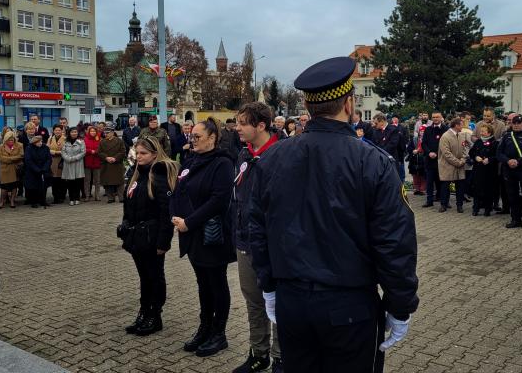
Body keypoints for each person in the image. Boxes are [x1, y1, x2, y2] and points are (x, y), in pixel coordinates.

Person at [248, 57, 419, 373]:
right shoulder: (373, 161)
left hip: (293, 302)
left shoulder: (273, 158)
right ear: (350, 103)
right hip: (349, 307)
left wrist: (269, 285)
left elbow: (256, 229)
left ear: (307, 105)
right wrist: (400, 305)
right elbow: (394, 242)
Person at [170, 117, 235, 358]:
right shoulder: (191, 159)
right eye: (191, 136)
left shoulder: (222, 163)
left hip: (211, 234)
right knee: (202, 284)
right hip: (191, 233)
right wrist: (174, 216)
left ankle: (219, 333)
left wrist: (189, 222)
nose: (192, 140)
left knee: (216, 283)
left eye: (197, 137)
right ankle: (204, 327)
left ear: (213, 138)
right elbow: (178, 189)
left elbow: (218, 200)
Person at [230, 103, 283, 373]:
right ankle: (258, 353)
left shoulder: (281, 155)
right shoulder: (242, 154)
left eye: (242, 123)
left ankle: (280, 357)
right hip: (245, 241)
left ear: (260, 125)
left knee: (277, 301)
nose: (236, 127)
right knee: (253, 301)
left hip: (273, 245)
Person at [120, 136, 179, 336]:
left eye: (144, 153)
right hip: (137, 236)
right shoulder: (136, 175)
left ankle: (155, 314)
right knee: (144, 277)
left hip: (152, 237)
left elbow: (165, 212)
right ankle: (144, 311)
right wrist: (126, 227)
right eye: (137, 153)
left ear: (155, 154)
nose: (139, 157)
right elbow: (128, 203)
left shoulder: (159, 175)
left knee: (154, 277)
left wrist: (164, 242)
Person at [437, 117, 468, 213]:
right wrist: (457, 162)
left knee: (460, 186)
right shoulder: (445, 136)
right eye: (462, 124)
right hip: (447, 165)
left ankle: (459, 205)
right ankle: (443, 204)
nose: (463, 126)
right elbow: (446, 153)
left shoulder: (462, 135)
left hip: (460, 164)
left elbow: (465, 148)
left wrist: (463, 159)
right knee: (445, 185)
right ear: (457, 125)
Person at [469, 124, 498, 216]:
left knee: (488, 190)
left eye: (483, 131)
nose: (481, 133)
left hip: (489, 171)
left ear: (489, 132)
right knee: (477, 189)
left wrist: (489, 159)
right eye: (481, 131)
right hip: (478, 169)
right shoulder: (478, 142)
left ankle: (487, 209)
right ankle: (476, 208)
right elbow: (472, 152)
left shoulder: (494, 142)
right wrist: (475, 157)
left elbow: (497, 155)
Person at [421, 112, 447, 207]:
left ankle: (443, 200)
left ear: (441, 118)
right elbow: (424, 143)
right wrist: (429, 153)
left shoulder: (446, 129)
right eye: (433, 117)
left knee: (442, 181)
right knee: (429, 181)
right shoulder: (428, 129)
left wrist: (437, 153)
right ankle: (429, 201)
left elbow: (447, 145)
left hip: (441, 160)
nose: (435, 119)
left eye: (437, 117)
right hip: (430, 160)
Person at [0, 130, 24, 209]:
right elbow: (0, 158)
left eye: (12, 139)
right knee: (4, 187)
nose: (11, 140)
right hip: (4, 169)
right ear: (5, 139)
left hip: (15, 168)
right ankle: (2, 201)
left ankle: (12, 201)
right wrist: (12, 159)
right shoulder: (0, 146)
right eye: (9, 139)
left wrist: (9, 159)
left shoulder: (19, 145)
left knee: (14, 186)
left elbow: (21, 156)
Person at [373, 113, 405, 181]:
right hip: (379, 160)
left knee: (393, 180)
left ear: (382, 121)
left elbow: (392, 144)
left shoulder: (393, 130)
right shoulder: (376, 131)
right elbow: (375, 144)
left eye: (376, 123)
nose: (375, 125)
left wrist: (381, 152)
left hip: (391, 159)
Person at [99, 128, 127, 203]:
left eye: (107, 133)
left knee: (119, 182)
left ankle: (121, 197)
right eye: (105, 133)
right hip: (106, 164)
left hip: (117, 164)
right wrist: (106, 157)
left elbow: (123, 151)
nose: (106, 134)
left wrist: (115, 158)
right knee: (108, 182)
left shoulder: (119, 141)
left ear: (112, 133)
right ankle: (110, 198)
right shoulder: (102, 142)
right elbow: (99, 152)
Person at [24, 136, 51, 208]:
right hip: (33, 171)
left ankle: (43, 201)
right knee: (33, 187)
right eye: (38, 142)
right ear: (34, 142)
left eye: (41, 141)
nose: (40, 143)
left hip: (44, 170)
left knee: (43, 186)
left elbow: (49, 159)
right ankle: (34, 201)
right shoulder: (29, 148)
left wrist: (45, 168)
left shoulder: (46, 148)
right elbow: (28, 160)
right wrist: (37, 169)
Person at [61, 128, 86, 206]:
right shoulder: (65, 142)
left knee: (78, 183)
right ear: (69, 133)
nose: (74, 133)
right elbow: (63, 152)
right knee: (70, 183)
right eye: (72, 132)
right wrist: (68, 158)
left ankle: (77, 198)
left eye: (75, 132)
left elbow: (83, 152)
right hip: (68, 164)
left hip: (78, 164)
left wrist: (74, 158)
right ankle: (71, 199)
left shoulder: (81, 142)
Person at [47, 125, 66, 204]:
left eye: (59, 130)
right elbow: (47, 148)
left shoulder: (65, 139)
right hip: (53, 162)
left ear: (62, 131)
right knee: (54, 181)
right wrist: (51, 151)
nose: (57, 131)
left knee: (62, 181)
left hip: (62, 161)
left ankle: (62, 197)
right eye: (56, 130)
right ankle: (55, 197)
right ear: (53, 131)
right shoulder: (50, 138)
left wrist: (55, 152)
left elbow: (66, 150)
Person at [407, 124, 428, 195]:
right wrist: (413, 150)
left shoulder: (428, 139)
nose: (422, 132)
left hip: (423, 159)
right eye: (421, 131)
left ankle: (422, 189)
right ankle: (416, 189)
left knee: (423, 175)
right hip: (414, 159)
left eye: (424, 131)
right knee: (415, 175)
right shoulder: (414, 139)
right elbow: (409, 148)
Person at [83, 125, 102, 201]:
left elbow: (101, 148)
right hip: (87, 162)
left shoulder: (99, 139)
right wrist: (91, 151)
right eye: (91, 131)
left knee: (97, 180)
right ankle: (87, 195)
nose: (93, 132)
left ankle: (97, 195)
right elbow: (83, 149)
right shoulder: (85, 139)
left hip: (97, 162)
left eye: (94, 131)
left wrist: (96, 151)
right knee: (87, 180)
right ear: (89, 132)